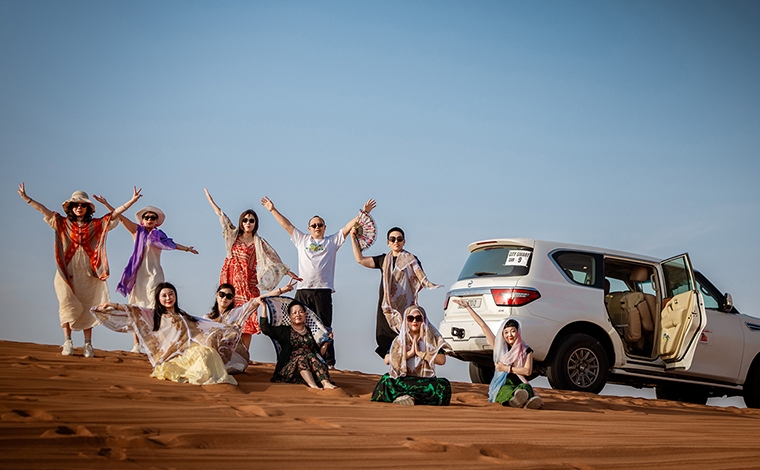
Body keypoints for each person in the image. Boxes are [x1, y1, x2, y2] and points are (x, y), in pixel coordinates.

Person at [18, 183, 142, 357]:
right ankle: (67, 341)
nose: (79, 207)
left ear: (87, 208)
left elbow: (114, 214)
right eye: (75, 204)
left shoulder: (97, 224)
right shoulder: (61, 222)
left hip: (89, 271)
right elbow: (43, 210)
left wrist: (132, 201)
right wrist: (27, 198)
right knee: (65, 303)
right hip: (66, 270)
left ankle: (87, 345)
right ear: (70, 207)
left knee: (88, 305)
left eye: (83, 205)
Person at [261, 196, 377, 367]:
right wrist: (272, 209)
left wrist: (363, 213)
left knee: (324, 327)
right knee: (298, 324)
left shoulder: (331, 241)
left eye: (320, 225)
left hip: (323, 291)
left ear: (324, 227)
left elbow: (347, 228)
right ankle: (297, 359)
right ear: (309, 228)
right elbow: (287, 225)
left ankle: (329, 363)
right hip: (303, 290)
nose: (317, 227)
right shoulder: (302, 240)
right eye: (314, 225)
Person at [92, 199, 199, 353]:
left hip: (155, 274)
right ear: (142, 219)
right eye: (147, 217)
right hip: (137, 275)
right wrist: (107, 204)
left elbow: (173, 244)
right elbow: (120, 217)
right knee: (136, 307)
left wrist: (187, 249)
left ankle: (155, 342)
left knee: (156, 307)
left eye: (153, 218)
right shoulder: (136, 231)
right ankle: (136, 344)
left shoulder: (160, 236)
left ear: (156, 221)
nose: (149, 219)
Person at [205, 188, 297, 350]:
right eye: (245, 220)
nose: (248, 223)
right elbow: (222, 218)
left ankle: (244, 353)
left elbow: (273, 258)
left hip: (248, 282)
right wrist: (212, 202)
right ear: (241, 222)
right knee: (227, 313)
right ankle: (226, 350)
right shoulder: (233, 235)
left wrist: (287, 271)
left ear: (256, 224)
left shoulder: (258, 242)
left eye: (251, 220)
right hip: (230, 278)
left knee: (247, 316)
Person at [93, 282, 238, 385]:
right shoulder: (155, 314)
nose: (168, 298)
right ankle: (200, 377)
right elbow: (134, 311)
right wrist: (113, 305)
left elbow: (201, 323)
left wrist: (227, 328)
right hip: (172, 352)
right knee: (202, 355)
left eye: (171, 294)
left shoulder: (182, 314)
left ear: (175, 296)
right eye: (164, 296)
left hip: (188, 347)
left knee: (209, 352)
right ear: (158, 298)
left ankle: (210, 378)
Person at [350, 225, 441, 357]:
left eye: (399, 239)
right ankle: (394, 365)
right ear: (388, 243)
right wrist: (353, 238)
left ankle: (407, 365)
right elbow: (360, 259)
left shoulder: (411, 260)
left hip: (405, 307)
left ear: (404, 241)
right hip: (386, 307)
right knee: (385, 342)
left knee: (406, 339)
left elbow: (419, 282)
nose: (396, 242)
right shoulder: (383, 260)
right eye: (392, 239)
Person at [453, 298, 542, 409]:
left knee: (525, 388)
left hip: (520, 382)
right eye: (506, 332)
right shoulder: (500, 348)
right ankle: (519, 401)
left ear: (518, 332)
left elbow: (527, 371)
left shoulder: (527, 350)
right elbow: (483, 326)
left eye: (513, 331)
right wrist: (468, 307)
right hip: (504, 383)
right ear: (503, 334)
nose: (510, 335)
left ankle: (522, 400)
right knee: (505, 391)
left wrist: (505, 368)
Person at [204, 279, 296, 371]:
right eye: (222, 294)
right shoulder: (207, 318)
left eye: (229, 296)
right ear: (217, 295)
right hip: (213, 356)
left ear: (232, 299)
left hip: (233, 359)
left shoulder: (238, 313)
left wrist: (281, 290)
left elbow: (258, 299)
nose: (224, 298)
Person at [371, 306, 451, 406]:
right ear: (406, 320)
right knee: (386, 380)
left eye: (418, 318)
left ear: (423, 320)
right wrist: (409, 354)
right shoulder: (399, 340)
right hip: (405, 379)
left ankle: (407, 397)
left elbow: (442, 360)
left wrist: (421, 354)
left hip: (425, 381)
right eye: (410, 318)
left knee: (443, 385)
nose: (414, 321)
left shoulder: (432, 339)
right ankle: (411, 398)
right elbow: (387, 360)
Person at [260, 299, 337, 389]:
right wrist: (264, 307)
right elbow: (265, 329)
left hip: (310, 366)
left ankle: (326, 383)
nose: (298, 315)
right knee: (302, 358)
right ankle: (313, 385)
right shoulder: (284, 331)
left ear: (305, 314)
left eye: (301, 312)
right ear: (290, 317)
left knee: (311, 356)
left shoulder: (312, 332)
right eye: (294, 313)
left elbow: (320, 354)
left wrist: (326, 344)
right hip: (290, 369)